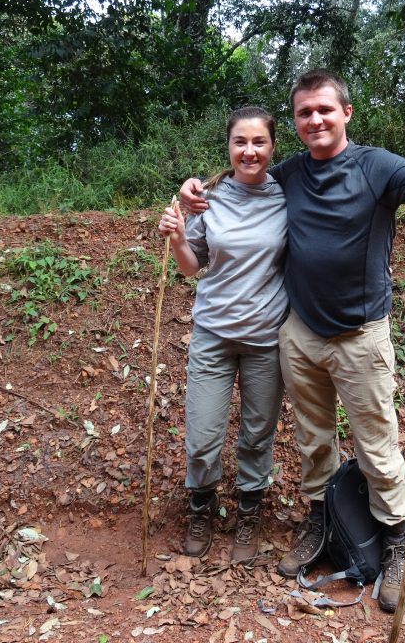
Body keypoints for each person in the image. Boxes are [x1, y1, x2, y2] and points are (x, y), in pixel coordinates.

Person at [181, 65, 405, 611]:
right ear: (296, 124)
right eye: (304, 112)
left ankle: (396, 541)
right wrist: (196, 187)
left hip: (360, 336)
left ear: (346, 112)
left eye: (325, 109)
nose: (315, 119)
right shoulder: (292, 172)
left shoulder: (375, 166)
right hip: (300, 333)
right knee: (313, 441)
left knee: (377, 445)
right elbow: (245, 168)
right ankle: (322, 525)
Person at [158, 106, 288, 563]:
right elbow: (193, 266)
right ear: (228, 146)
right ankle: (202, 506)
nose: (249, 151)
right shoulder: (206, 197)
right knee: (203, 433)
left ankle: (249, 511)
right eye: (240, 142)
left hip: (267, 337)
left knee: (257, 434)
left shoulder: (288, 195)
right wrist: (176, 237)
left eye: (259, 142)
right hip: (213, 333)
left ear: (273, 147)